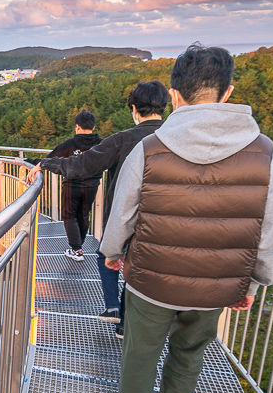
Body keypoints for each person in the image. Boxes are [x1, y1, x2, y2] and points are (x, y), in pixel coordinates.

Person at [99, 44, 273, 393]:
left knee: (140, 352)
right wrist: (254, 283)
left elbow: (123, 214)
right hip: (217, 282)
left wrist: (114, 253)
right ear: (228, 92)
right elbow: (272, 229)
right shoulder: (263, 152)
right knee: (190, 348)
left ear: (175, 95)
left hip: (151, 278)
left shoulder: (148, 149)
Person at [28, 80, 170, 330]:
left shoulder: (123, 140)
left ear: (134, 109)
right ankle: (126, 324)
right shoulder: (177, 138)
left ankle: (113, 307)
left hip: (126, 216)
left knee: (108, 254)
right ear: (165, 105)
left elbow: (81, 165)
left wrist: (45, 163)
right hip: (166, 220)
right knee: (139, 271)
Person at [40, 109, 102, 261]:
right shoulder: (101, 144)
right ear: (93, 127)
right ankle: (79, 247)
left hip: (72, 185)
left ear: (77, 126)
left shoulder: (70, 144)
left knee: (69, 215)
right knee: (84, 214)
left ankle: (76, 249)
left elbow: (51, 159)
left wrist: (33, 162)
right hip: (92, 185)